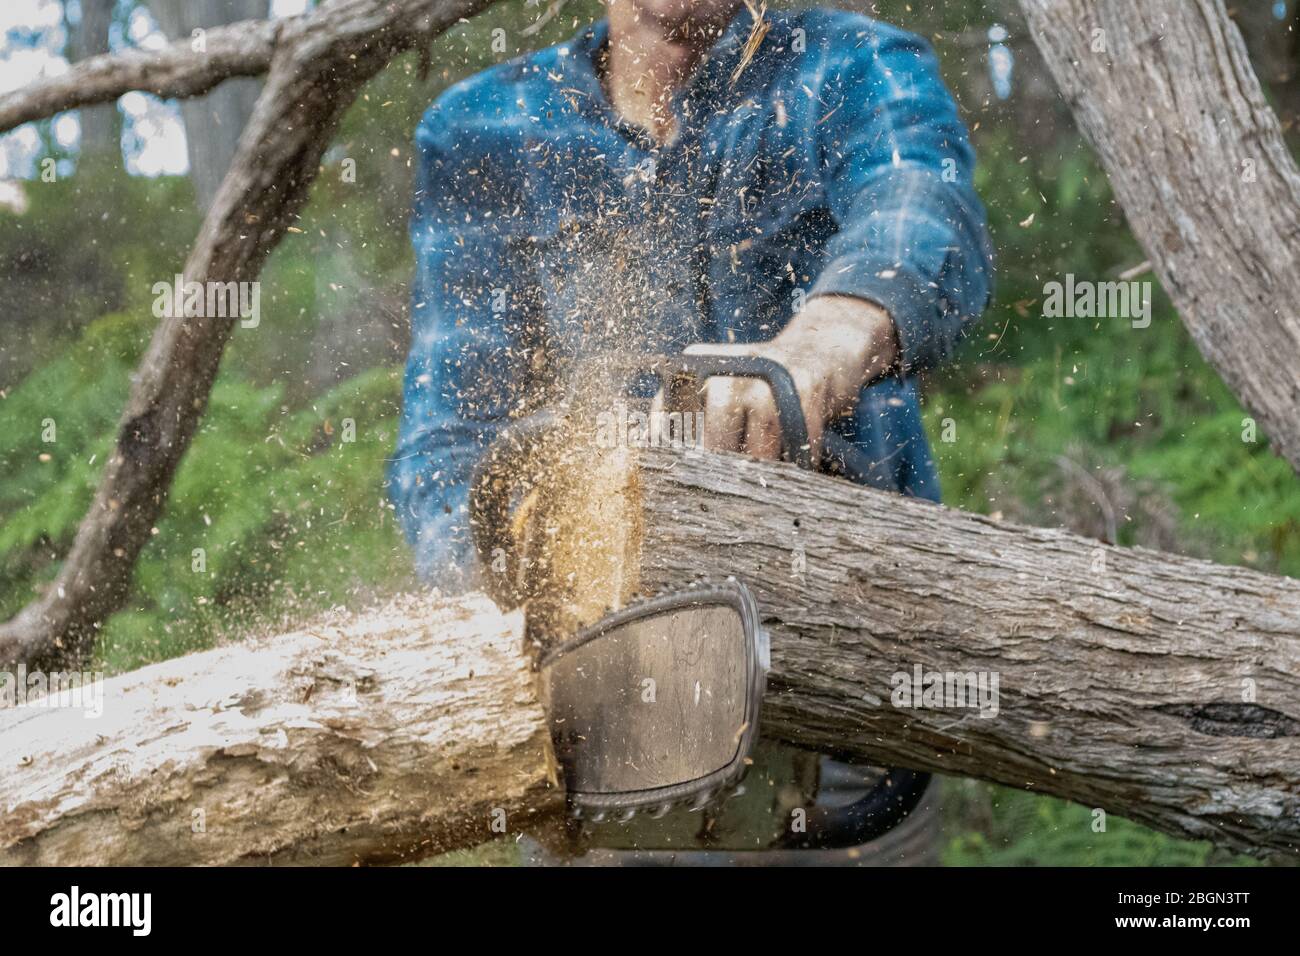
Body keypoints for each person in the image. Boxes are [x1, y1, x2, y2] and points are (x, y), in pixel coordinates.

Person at [391, 0, 993, 859]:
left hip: (851, 699)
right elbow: (450, 443)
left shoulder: (853, 65)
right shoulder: (489, 128)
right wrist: (522, 553)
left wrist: (830, 336)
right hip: (611, 716)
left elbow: (918, 202)